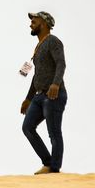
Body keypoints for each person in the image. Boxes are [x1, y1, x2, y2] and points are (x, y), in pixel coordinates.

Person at [20, 11, 67, 174]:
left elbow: (61, 63)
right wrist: (28, 98)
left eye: (34, 21)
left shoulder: (53, 41)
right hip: (39, 96)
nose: (31, 23)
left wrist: (56, 84)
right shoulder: (37, 48)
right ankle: (48, 162)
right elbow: (35, 75)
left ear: (45, 23)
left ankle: (54, 169)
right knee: (27, 127)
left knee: (54, 132)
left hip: (53, 95)